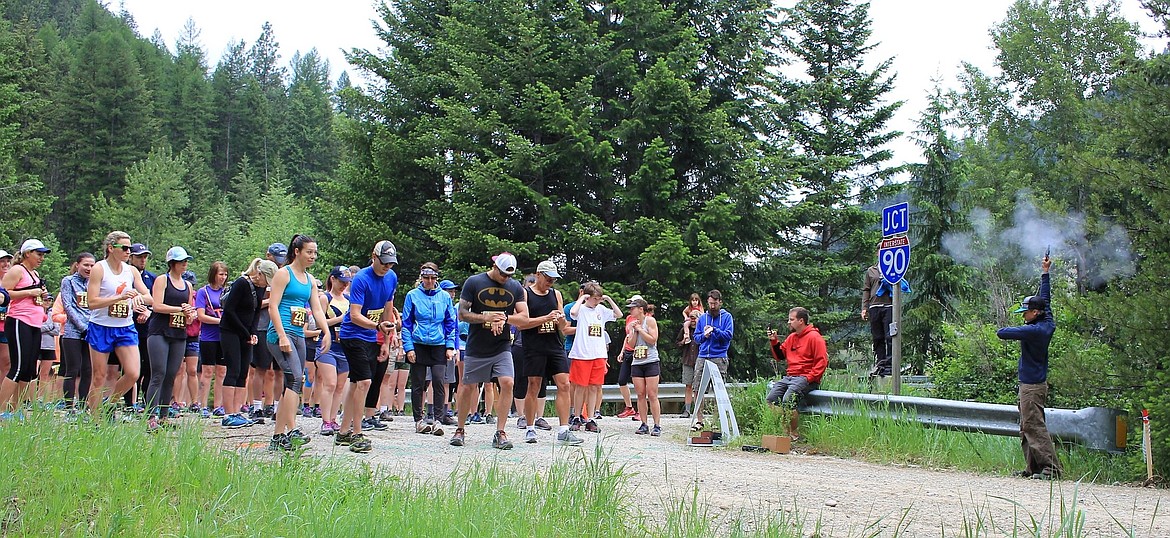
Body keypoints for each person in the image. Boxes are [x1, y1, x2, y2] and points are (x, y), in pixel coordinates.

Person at [450, 252, 531, 449]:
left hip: (501, 345)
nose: (505, 278)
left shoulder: (515, 287)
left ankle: (500, 431)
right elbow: (462, 314)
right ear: (495, 267)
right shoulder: (474, 282)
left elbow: (524, 317)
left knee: (507, 382)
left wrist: (504, 317)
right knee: (469, 387)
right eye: (503, 274)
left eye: (509, 275)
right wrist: (486, 317)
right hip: (477, 345)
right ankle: (460, 428)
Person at [997, 255, 1062, 481]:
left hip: (1032, 387)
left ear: (1035, 313)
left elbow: (1002, 333)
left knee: (1033, 426)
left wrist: (1014, 328)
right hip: (1033, 385)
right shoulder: (1046, 320)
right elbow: (1046, 298)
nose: (1023, 315)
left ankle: (1051, 469)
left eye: (1025, 312)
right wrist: (1045, 273)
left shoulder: (1035, 331)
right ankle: (1033, 467)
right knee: (1027, 425)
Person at [265, 235, 331, 451]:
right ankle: (292, 430)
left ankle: (277, 437)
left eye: (315, 252)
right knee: (295, 378)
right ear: (297, 251)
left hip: (298, 335)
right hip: (280, 334)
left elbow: (318, 309)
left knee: (291, 383)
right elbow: (273, 306)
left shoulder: (310, 280)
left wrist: (326, 331)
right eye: (309, 252)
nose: (313, 256)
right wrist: (282, 336)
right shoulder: (284, 274)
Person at [336, 240, 399, 454]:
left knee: (355, 384)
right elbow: (354, 315)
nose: (386, 267)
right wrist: (377, 327)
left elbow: (388, 309)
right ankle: (357, 433)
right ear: (374, 257)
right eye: (383, 263)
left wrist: (386, 340)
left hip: (373, 336)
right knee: (364, 381)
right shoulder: (361, 278)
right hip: (353, 334)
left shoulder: (391, 277)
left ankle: (343, 431)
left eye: (390, 264)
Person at [85, 231, 153, 420]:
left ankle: (108, 403)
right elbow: (92, 302)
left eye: (129, 248)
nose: (128, 252)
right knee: (99, 376)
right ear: (110, 248)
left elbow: (149, 297)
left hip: (124, 326)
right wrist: (119, 297)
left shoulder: (130, 271)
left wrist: (138, 299)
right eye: (124, 248)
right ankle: (95, 419)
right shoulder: (100, 268)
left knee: (133, 373)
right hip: (101, 325)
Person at [514, 261, 579, 445]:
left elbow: (563, 327)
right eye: (548, 277)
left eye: (553, 278)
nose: (551, 281)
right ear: (538, 275)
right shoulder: (525, 294)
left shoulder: (555, 294)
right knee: (533, 386)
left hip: (554, 345)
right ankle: (530, 427)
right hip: (533, 345)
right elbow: (521, 323)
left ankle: (564, 429)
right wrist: (545, 318)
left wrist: (559, 320)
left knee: (564, 384)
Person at [144, 247, 197, 430]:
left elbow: (189, 311)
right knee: (158, 372)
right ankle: (151, 416)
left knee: (171, 375)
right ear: (172, 263)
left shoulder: (188, 285)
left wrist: (190, 314)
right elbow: (157, 305)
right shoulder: (162, 280)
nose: (185, 264)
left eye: (186, 261)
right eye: (181, 261)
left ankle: (164, 416)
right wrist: (179, 309)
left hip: (179, 332)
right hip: (159, 331)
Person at [402, 262, 457, 435]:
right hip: (418, 343)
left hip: (438, 344)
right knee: (418, 383)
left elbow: (450, 323)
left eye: (433, 278)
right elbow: (406, 324)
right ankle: (419, 420)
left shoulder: (444, 297)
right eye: (426, 278)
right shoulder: (412, 295)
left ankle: (439, 420)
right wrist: (409, 347)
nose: (429, 281)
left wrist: (450, 346)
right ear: (421, 277)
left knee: (439, 381)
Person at [219, 259, 274, 428]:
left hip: (246, 333)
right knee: (233, 370)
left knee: (243, 371)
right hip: (230, 331)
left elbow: (256, 311)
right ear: (260, 274)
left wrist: (253, 332)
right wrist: (245, 332)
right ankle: (228, 414)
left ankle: (237, 411)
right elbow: (229, 310)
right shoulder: (242, 283)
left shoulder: (261, 287)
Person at [0, 239, 51, 416]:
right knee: (18, 367)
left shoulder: (34, 274)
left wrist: (42, 300)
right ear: (27, 253)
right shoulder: (17, 270)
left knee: (29, 370)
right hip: (18, 321)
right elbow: (4, 293)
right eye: (39, 254)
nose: (41, 258)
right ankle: (1, 409)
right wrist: (29, 292)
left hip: (35, 323)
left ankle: (15, 410)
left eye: (43, 255)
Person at [568, 282, 622, 434]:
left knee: (594, 387)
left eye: (599, 298)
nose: (597, 301)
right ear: (588, 297)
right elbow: (573, 312)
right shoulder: (582, 309)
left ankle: (591, 418)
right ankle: (577, 416)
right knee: (580, 387)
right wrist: (582, 299)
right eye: (595, 298)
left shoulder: (601, 309)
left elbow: (618, 314)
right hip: (582, 354)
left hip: (598, 354)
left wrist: (609, 299)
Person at [767, 307, 827, 440]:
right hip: (790, 376)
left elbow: (822, 362)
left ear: (801, 321)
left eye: (791, 319)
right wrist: (774, 341)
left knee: (788, 400)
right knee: (771, 399)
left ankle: (794, 434)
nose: (789, 322)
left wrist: (809, 378)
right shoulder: (792, 337)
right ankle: (785, 431)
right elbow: (780, 356)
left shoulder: (815, 337)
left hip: (805, 377)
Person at [249, 243, 288, 420]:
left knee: (280, 370)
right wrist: (271, 301)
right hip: (262, 325)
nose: (279, 264)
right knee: (261, 368)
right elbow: (253, 303)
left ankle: (278, 407)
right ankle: (257, 406)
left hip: (280, 326)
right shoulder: (258, 276)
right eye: (276, 259)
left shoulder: (285, 275)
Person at [314, 266, 351, 435]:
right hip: (327, 344)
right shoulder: (325, 298)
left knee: (340, 386)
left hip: (345, 347)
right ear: (333, 279)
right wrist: (339, 319)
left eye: (346, 282)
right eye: (341, 281)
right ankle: (325, 420)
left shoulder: (349, 299)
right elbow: (319, 322)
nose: (344, 285)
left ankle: (334, 418)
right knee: (330, 383)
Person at [691, 289, 733, 432]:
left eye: (714, 303)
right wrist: (704, 335)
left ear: (720, 302)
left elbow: (728, 335)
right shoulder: (703, 318)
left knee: (718, 390)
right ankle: (699, 420)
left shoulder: (727, 317)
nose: (712, 306)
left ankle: (716, 419)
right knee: (697, 388)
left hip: (719, 356)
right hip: (703, 356)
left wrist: (714, 331)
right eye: (710, 304)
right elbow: (696, 338)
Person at [60, 252, 95, 407]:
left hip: (91, 329)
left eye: (92, 265)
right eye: (86, 265)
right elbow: (68, 306)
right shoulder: (68, 281)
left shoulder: (94, 283)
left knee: (88, 369)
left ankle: (82, 404)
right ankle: (68, 405)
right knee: (72, 369)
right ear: (78, 265)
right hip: (72, 331)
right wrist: (82, 326)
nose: (89, 268)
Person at [625, 297, 663, 436]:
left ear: (641, 309)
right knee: (640, 394)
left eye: (632, 308)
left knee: (652, 394)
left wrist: (640, 329)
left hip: (651, 360)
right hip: (637, 361)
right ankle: (644, 423)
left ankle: (657, 424)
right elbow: (632, 344)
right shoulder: (632, 324)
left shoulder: (650, 321)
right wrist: (634, 331)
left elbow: (653, 340)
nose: (630, 311)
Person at [196, 262, 229, 417]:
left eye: (225, 274)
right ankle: (202, 405)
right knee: (207, 370)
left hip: (223, 336)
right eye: (220, 274)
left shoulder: (227, 292)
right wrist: (219, 321)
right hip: (209, 337)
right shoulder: (204, 292)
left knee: (222, 370)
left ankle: (218, 405)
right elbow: (201, 315)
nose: (223, 277)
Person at [127, 243, 155, 410]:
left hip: (148, 330)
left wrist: (148, 311)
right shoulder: (123, 276)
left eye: (145, 257)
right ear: (131, 257)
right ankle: (130, 402)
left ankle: (147, 401)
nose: (142, 260)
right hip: (128, 326)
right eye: (139, 257)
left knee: (148, 367)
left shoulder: (151, 278)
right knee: (130, 367)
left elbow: (156, 301)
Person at [677, 309, 699, 418]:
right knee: (688, 386)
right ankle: (687, 410)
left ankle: (698, 410)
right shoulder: (685, 330)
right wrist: (683, 341)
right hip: (687, 360)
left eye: (695, 318)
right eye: (691, 317)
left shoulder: (701, 329)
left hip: (699, 360)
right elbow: (677, 343)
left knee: (698, 387)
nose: (693, 320)